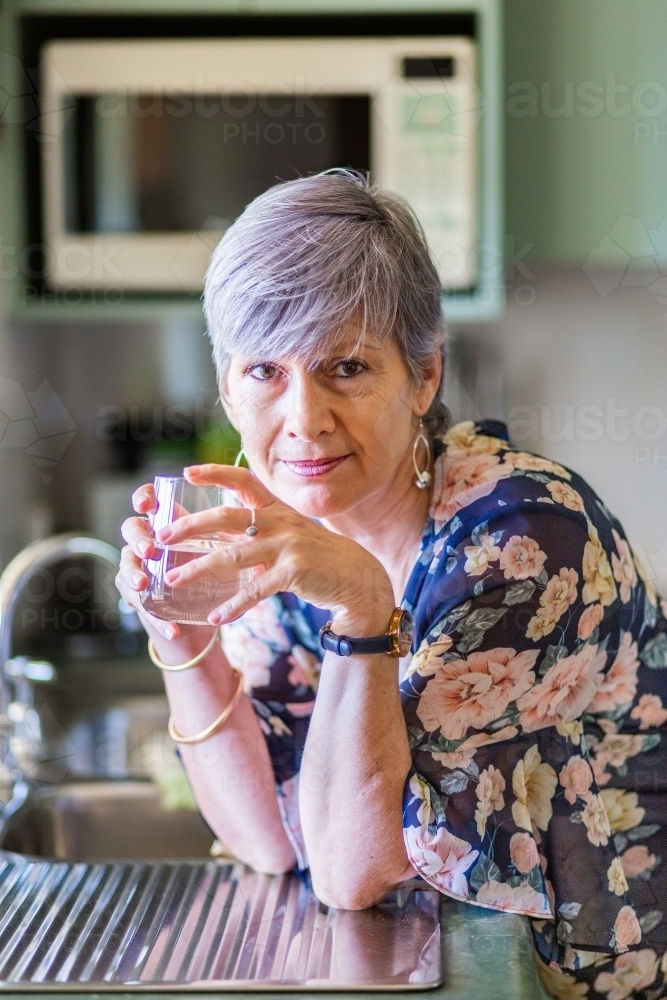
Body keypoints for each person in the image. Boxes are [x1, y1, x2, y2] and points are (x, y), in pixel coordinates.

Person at [116, 170, 667, 999]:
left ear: (423, 379)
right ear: (227, 385)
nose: (302, 418)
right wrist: (179, 631)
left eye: (345, 367)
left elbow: (349, 869)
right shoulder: (289, 537)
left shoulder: (523, 540)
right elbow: (267, 840)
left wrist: (363, 607)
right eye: (264, 369)